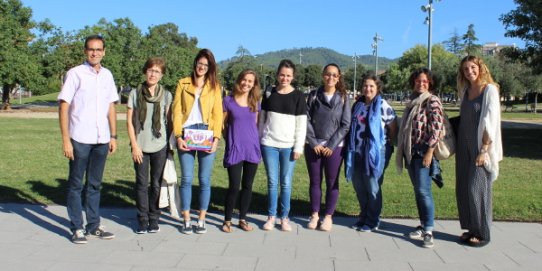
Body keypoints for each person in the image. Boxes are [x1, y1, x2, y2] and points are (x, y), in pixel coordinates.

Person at [58, 35, 118, 244]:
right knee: (76, 185)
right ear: (85, 51)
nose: (95, 53)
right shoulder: (75, 74)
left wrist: (113, 135)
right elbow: (64, 106)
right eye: (91, 49)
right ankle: (77, 227)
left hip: (101, 138)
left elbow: (111, 106)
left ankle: (93, 225)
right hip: (80, 138)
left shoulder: (107, 75)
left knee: (95, 185)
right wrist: (66, 140)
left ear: (104, 52)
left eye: (99, 49)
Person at [172, 49, 222, 235]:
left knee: (204, 179)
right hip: (186, 132)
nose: (202, 67)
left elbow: (218, 114)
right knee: (186, 178)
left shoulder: (215, 87)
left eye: (206, 65)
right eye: (200, 63)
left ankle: (201, 219)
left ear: (210, 68)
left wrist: (216, 138)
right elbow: (176, 111)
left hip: (207, 133)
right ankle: (186, 219)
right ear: (195, 64)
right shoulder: (183, 83)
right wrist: (178, 136)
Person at [455, 55, 502, 247]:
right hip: (463, 146)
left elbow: (490, 122)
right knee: (463, 188)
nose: (469, 72)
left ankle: (483, 233)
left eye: (472, 67)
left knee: (477, 189)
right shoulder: (466, 91)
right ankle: (471, 228)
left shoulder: (490, 90)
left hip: (480, 147)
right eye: (465, 69)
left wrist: (484, 150)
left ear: (480, 68)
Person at [396, 68, 444, 248]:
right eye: (418, 81)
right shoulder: (413, 102)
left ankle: (429, 230)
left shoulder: (432, 100)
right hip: (411, 152)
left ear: (430, 83)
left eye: (424, 81)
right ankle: (423, 225)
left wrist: (430, 152)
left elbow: (437, 128)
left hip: (423, 153)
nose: (421, 83)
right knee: (418, 191)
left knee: (424, 191)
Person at [259, 59, 307, 232]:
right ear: (277, 74)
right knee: (272, 182)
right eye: (282, 75)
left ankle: (284, 218)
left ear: (293, 77)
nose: (284, 78)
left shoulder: (299, 96)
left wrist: (298, 148)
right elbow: (262, 119)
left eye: (288, 75)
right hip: (269, 144)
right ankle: (271, 217)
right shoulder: (269, 92)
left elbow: (301, 125)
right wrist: (260, 139)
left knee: (286, 183)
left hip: (288, 147)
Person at [345, 73, 397, 233]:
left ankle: (373, 220)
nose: (368, 89)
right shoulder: (358, 105)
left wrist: (386, 144)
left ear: (377, 88)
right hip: (356, 150)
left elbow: (393, 127)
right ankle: (363, 216)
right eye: (365, 86)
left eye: (371, 86)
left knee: (372, 185)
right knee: (359, 184)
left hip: (376, 152)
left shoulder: (383, 105)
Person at [126, 57, 172, 234]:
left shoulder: (167, 95)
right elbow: (129, 122)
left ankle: (154, 218)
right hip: (140, 146)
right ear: (146, 71)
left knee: (156, 184)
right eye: (151, 70)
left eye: (157, 71)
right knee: (141, 184)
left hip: (160, 145)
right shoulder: (135, 94)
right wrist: (135, 146)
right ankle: (142, 219)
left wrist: (169, 146)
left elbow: (169, 122)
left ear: (161, 75)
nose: (153, 74)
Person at [305, 63, 351, 231]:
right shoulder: (313, 95)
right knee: (315, 181)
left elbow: (345, 124)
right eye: (328, 74)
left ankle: (328, 217)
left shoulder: (344, 98)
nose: (330, 77)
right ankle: (315, 214)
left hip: (335, 147)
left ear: (338, 78)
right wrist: (313, 142)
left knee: (332, 182)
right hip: (314, 146)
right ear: (323, 75)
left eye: (334, 75)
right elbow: (306, 119)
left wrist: (331, 145)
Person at [221, 69, 262, 233]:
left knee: (247, 186)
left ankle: (242, 219)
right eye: (244, 80)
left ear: (254, 84)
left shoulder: (255, 101)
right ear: (239, 80)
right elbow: (223, 125)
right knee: (234, 186)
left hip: (252, 149)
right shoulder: (228, 101)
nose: (246, 83)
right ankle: (227, 220)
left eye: (250, 81)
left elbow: (256, 124)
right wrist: (230, 141)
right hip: (235, 149)